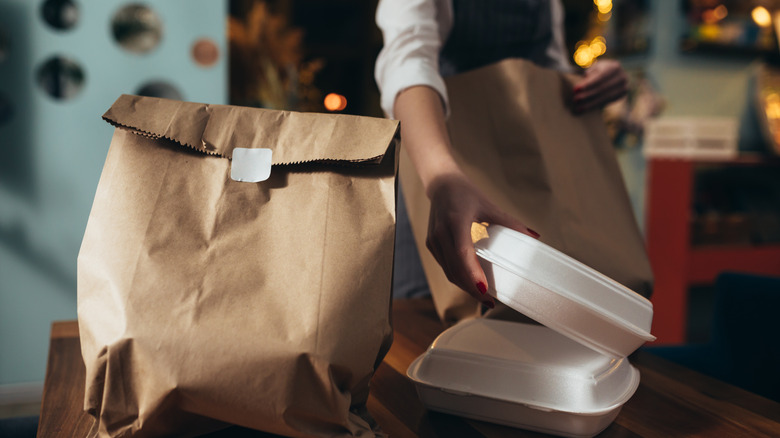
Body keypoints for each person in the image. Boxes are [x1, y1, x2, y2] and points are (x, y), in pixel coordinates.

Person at [374, 0, 629, 308]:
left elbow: (545, 69)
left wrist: (586, 80)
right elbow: (407, 63)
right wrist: (443, 177)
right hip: (441, 179)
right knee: (422, 326)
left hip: (524, 182)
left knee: (535, 324)